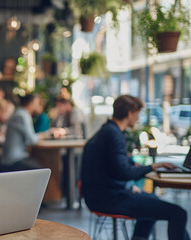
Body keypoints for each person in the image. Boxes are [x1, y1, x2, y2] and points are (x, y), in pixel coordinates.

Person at [81, 95, 189, 240]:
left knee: (152, 198)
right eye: (137, 113)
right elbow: (123, 172)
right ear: (130, 113)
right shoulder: (114, 135)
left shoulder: (106, 130)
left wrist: (130, 165)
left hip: (99, 195)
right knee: (179, 213)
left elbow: (110, 166)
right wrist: (152, 166)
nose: (138, 118)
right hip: (109, 200)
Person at [0, 94, 46, 171]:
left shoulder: (19, 113)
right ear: (30, 104)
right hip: (13, 159)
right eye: (36, 103)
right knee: (41, 171)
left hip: (13, 157)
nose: (38, 106)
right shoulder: (22, 115)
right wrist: (41, 135)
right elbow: (31, 140)